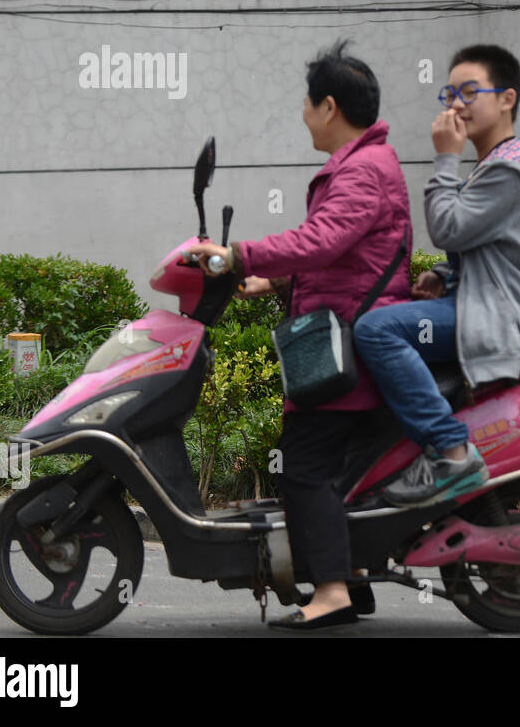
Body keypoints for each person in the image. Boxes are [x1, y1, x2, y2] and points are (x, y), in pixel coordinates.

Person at [190, 40, 411, 631]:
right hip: (345, 330)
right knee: (338, 471)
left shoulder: (363, 169)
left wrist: (238, 255)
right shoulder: (365, 164)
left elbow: (324, 242)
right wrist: (277, 283)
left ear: (329, 106)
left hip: (350, 345)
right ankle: (354, 577)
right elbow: (346, 260)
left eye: (307, 104)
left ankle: (333, 591)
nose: (303, 114)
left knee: (306, 466)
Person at [352, 44, 520, 507]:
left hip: (500, 318)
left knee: (375, 330)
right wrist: (447, 276)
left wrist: (446, 158)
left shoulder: (507, 172)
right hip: (485, 304)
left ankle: (450, 449)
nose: (456, 104)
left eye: (469, 92)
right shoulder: (500, 163)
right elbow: (495, 249)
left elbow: (447, 226)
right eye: (449, 93)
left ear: (507, 99)